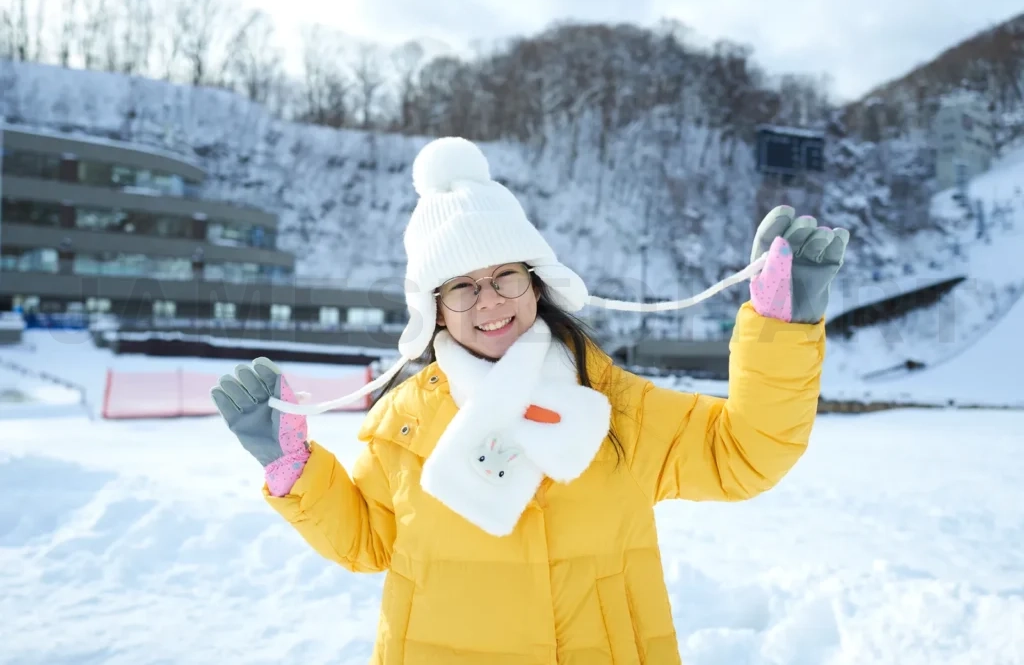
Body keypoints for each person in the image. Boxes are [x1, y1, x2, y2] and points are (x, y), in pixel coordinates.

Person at [211, 136, 849, 665]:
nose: (488, 301)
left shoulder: (612, 405)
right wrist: (293, 468)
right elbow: (369, 542)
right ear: (432, 310)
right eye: (460, 287)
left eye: (503, 276)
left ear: (535, 282)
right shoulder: (404, 424)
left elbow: (743, 453)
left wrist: (782, 331)